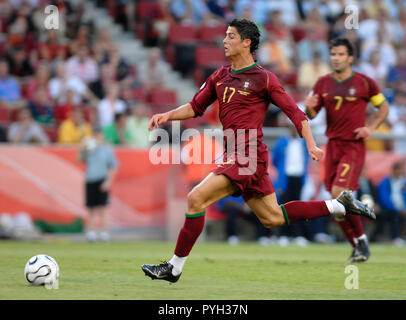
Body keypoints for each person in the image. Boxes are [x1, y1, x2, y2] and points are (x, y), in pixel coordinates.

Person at [141, 19, 375, 283]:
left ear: (246, 42)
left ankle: (174, 267)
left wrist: (310, 143)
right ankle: (337, 204)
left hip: (247, 154)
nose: (225, 41)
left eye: (231, 36)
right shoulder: (220, 76)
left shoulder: (264, 78)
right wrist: (167, 115)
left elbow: (296, 114)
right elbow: (195, 107)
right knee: (273, 217)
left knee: (196, 198)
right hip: (239, 155)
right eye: (225, 36)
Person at [304, 38, 389, 263]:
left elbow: (383, 107)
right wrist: (309, 108)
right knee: (337, 205)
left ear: (350, 58)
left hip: (353, 145)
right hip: (332, 146)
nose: (336, 58)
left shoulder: (365, 82)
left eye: (341, 54)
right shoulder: (322, 83)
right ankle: (358, 245)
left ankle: (361, 238)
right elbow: (311, 114)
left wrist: (370, 128)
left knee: (339, 194)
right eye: (333, 54)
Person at [77, 127, 118, 242]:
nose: (97, 137)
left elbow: (113, 166)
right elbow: (79, 159)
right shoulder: (90, 148)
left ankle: (104, 233)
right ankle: (91, 233)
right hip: (90, 179)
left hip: (102, 179)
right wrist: (82, 148)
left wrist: (108, 181)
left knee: (103, 208)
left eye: (99, 134)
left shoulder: (106, 149)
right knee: (91, 208)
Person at [373, 161, 406, 246]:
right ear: (394, 170)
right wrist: (396, 207)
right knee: (394, 214)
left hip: (402, 208)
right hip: (389, 208)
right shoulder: (386, 181)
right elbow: (383, 197)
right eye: (398, 170)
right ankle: (395, 238)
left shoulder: (403, 182)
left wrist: (404, 208)